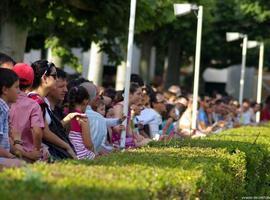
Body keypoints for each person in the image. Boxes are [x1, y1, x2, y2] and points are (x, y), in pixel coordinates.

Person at [29, 60, 76, 160]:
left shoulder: (43, 100)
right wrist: (66, 146)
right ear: (45, 78)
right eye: (54, 76)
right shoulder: (35, 101)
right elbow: (44, 133)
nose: (56, 79)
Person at [9, 63, 47, 162]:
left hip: (7, 152)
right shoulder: (33, 105)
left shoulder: (4, 101)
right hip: (28, 155)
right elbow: (37, 131)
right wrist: (36, 151)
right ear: (31, 83)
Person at [0, 68, 23, 167]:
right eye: (16, 87)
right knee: (20, 165)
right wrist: (12, 158)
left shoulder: (4, 108)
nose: (19, 91)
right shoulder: (1, 109)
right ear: (5, 90)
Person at [67, 86, 95, 160]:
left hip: (68, 153)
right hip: (82, 155)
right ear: (85, 101)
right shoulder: (82, 118)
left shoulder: (65, 114)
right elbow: (88, 144)